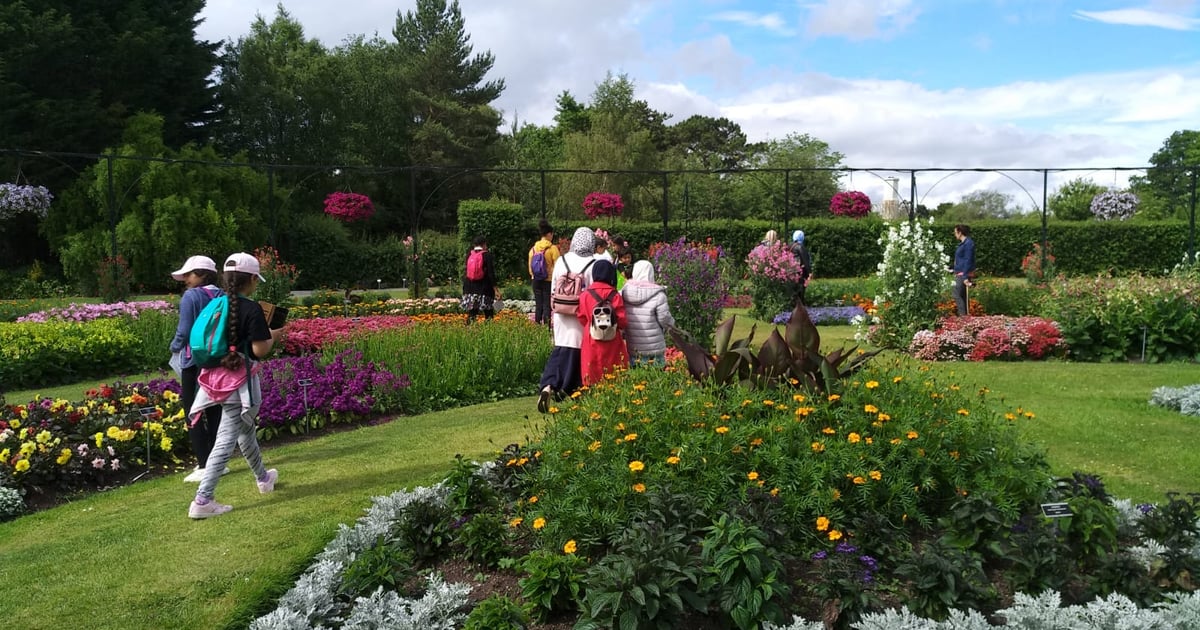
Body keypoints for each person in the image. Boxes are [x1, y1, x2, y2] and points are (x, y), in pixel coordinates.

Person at [187, 253, 286, 519]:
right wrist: (274, 335)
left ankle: (264, 478)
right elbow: (259, 349)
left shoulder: (216, 304)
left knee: (245, 431)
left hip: (212, 380)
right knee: (226, 440)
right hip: (239, 384)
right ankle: (202, 500)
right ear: (252, 279)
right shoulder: (251, 308)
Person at [168, 255, 229, 483]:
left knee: (193, 411)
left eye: (189, 274)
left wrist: (173, 347)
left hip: (192, 360)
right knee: (215, 409)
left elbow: (183, 331)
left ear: (201, 274)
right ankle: (218, 462)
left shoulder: (191, 297)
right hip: (216, 360)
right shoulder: (222, 296)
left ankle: (204, 464)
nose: (186, 279)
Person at [537, 227, 597, 412]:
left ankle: (548, 385)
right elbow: (595, 291)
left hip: (562, 311)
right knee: (579, 352)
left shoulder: (562, 260)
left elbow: (554, 286)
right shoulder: (593, 262)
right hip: (581, 313)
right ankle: (572, 389)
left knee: (561, 349)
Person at [577, 259, 629, 386]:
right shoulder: (615, 294)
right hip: (612, 339)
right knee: (614, 371)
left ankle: (592, 393)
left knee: (591, 369)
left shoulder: (585, 295)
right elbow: (622, 320)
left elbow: (581, 317)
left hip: (592, 337)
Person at [621, 260, 676, 366]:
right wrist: (672, 325)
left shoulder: (625, 293)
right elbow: (664, 319)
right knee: (656, 379)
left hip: (633, 347)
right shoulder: (658, 295)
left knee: (637, 378)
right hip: (654, 348)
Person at [529, 220, 560, 326]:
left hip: (536, 280)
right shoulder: (553, 249)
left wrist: (533, 275)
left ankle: (537, 326)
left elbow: (530, 267)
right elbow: (557, 265)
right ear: (549, 234)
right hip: (548, 280)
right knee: (547, 305)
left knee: (538, 305)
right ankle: (547, 328)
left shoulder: (533, 249)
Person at [461, 235, 498, 323]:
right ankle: (488, 332)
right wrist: (496, 289)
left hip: (469, 288)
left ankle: (469, 331)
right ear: (484, 244)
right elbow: (491, 274)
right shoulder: (487, 255)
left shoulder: (469, 254)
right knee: (488, 313)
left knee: (472, 313)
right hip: (485, 288)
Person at [950, 224, 976, 316]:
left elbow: (968, 260)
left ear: (960, 232)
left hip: (963, 274)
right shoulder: (963, 243)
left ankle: (963, 317)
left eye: (955, 232)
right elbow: (961, 259)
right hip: (960, 272)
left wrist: (965, 277)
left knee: (956, 294)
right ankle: (965, 318)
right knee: (962, 296)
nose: (955, 234)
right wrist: (952, 268)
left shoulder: (968, 243)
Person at [790, 230, 813, 306]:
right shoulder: (800, 247)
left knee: (794, 289)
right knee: (801, 289)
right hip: (800, 271)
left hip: (791, 271)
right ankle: (800, 305)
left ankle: (795, 304)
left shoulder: (790, 246)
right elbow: (805, 260)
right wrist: (809, 272)